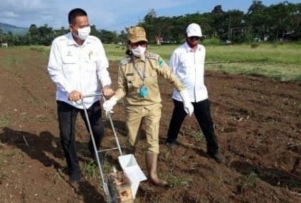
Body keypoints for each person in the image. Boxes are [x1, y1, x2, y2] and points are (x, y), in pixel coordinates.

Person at [103, 26, 193, 186]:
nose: (139, 47)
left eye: (142, 44)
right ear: (129, 45)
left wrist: (185, 95)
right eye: (135, 44)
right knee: (131, 141)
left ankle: (152, 175)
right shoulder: (124, 65)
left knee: (152, 140)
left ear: (146, 44)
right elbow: (122, 88)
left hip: (153, 106)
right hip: (133, 107)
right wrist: (113, 100)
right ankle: (128, 173)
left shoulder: (154, 59)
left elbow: (171, 76)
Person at [47, 8, 114, 185]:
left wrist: (106, 85)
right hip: (67, 99)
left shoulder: (95, 42)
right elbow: (54, 71)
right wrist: (70, 90)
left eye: (88, 25)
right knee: (67, 136)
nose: (86, 29)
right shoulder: (59, 44)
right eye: (82, 26)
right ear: (71, 27)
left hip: (91, 96)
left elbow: (102, 68)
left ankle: (94, 150)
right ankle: (74, 169)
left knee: (98, 130)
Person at [165, 23, 225, 163]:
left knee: (207, 124)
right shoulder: (178, 52)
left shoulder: (202, 50)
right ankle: (171, 139)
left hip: (201, 95)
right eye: (192, 37)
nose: (194, 40)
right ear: (186, 36)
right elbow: (169, 73)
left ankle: (213, 150)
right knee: (177, 120)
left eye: (197, 38)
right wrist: (179, 88)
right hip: (181, 96)